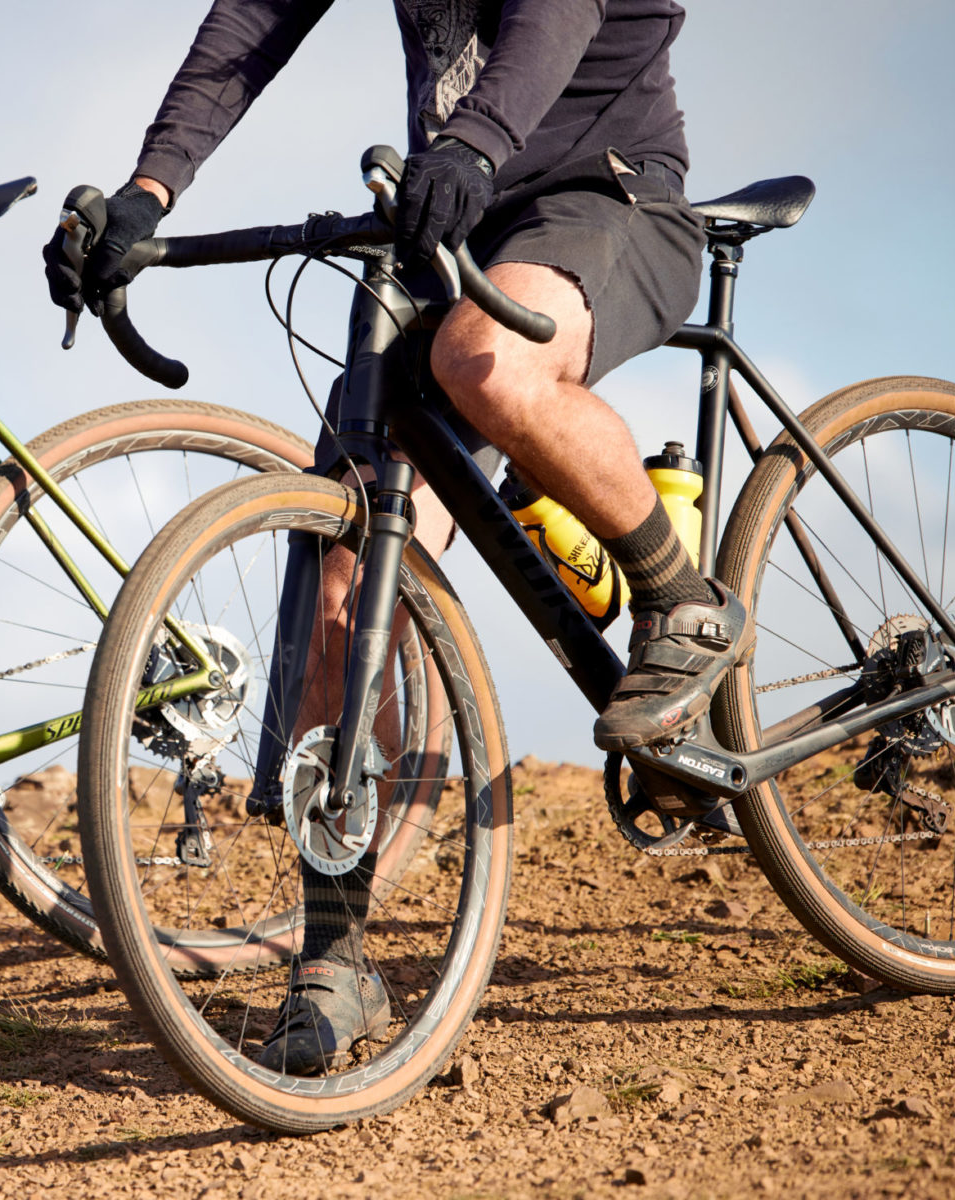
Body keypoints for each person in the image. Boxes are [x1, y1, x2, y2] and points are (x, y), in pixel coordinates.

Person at [46, 0, 746, 1074]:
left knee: (488, 363)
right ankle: (338, 957)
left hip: (606, 194)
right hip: (450, 220)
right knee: (340, 585)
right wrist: (148, 192)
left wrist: (470, 143)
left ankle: (683, 601)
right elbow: (246, 32)